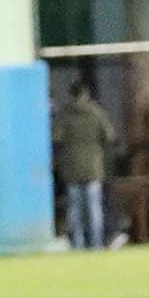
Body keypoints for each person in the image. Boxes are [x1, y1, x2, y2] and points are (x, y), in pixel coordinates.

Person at [54, 81, 114, 249]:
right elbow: (109, 136)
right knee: (95, 208)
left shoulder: (65, 116)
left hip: (72, 168)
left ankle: (78, 243)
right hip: (93, 167)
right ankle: (96, 243)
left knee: (75, 209)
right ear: (86, 94)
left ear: (70, 95)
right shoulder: (97, 113)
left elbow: (57, 138)